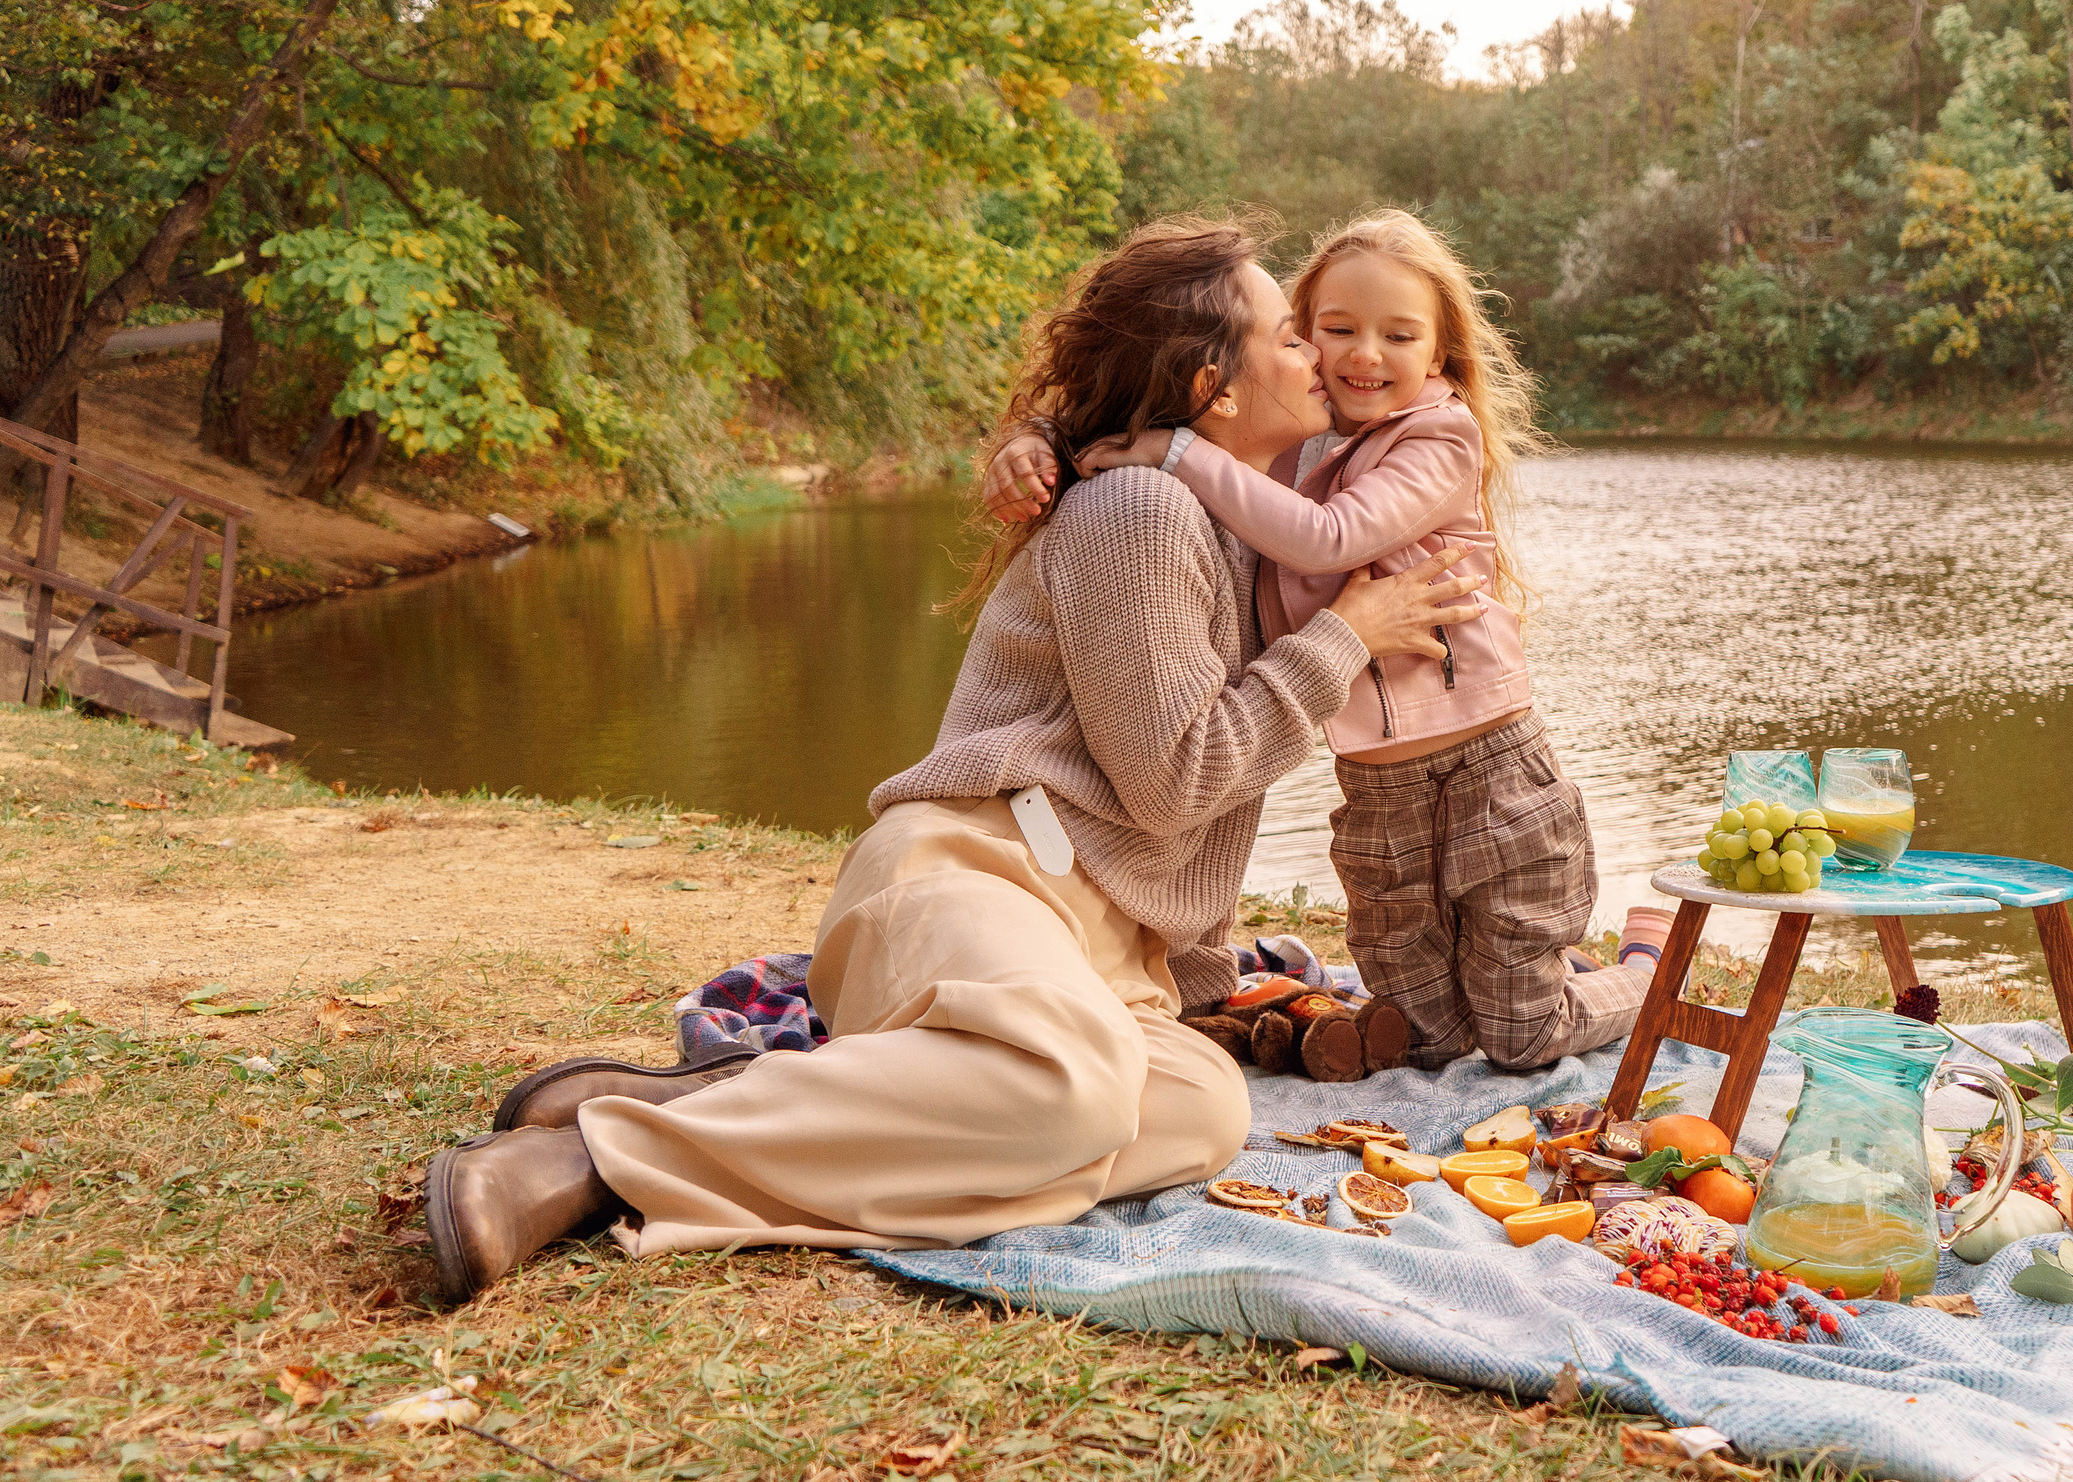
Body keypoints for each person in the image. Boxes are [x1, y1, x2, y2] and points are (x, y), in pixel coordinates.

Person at [423, 217, 1483, 1301]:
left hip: (1099, 954)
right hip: (981, 871)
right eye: (1293, 337)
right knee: (1071, 1100)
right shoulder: (1140, 506)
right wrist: (1345, 638)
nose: (1321, 352)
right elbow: (1171, 786)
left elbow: (1352, 458)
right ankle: (583, 1163)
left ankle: (745, 1099)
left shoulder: (1245, 516)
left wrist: (1037, 436)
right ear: (1214, 385)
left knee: (1200, 1112)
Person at [985, 210, 1674, 1073]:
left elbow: (1325, 536)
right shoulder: (1291, 447)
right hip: (1378, 785)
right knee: (1426, 1032)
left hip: (1487, 769)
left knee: (1522, 1030)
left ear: (1441, 354)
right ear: (1296, 343)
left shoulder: (1435, 436)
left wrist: (1172, 454)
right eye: (1327, 331)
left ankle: (1647, 976)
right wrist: (1040, 440)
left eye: (1398, 335)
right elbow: (1151, 397)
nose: (1355, 356)